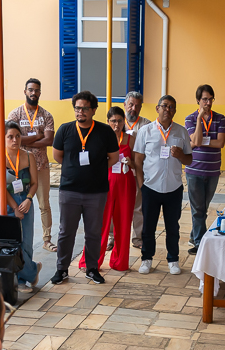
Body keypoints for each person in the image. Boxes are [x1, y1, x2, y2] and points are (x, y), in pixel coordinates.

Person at [50, 91, 120, 286]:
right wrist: (74, 169)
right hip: (69, 190)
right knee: (66, 232)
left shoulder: (105, 131)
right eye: (77, 108)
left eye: (84, 108)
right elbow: (57, 156)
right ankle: (62, 269)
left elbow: (114, 158)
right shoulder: (65, 130)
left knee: (94, 233)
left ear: (94, 110)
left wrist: (96, 169)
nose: (80, 112)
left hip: (96, 192)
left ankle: (92, 268)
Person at [133, 95, 193, 276]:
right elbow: (138, 160)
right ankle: (146, 259)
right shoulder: (145, 131)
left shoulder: (181, 132)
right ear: (157, 108)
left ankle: (173, 259)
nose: (168, 109)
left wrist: (181, 155)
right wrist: (142, 185)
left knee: (172, 227)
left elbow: (189, 160)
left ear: (175, 111)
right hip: (150, 187)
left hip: (173, 188)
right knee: (148, 226)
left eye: (172, 107)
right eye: (165, 106)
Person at [0, 121, 42, 291]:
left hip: (24, 200)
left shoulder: (28, 156)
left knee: (25, 242)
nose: (14, 140)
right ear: (3, 138)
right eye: (10, 137)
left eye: (18, 136)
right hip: (4, 201)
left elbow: (34, 183)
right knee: (7, 244)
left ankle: (22, 280)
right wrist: (14, 207)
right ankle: (31, 271)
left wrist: (28, 199)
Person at [80, 107, 135, 271]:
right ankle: (91, 261)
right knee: (100, 223)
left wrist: (130, 162)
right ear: (108, 122)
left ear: (124, 121)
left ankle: (120, 261)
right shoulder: (101, 138)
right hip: (105, 184)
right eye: (113, 121)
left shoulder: (131, 139)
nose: (116, 125)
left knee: (123, 224)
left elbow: (137, 163)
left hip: (125, 185)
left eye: (119, 121)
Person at [8, 79, 57, 252]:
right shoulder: (15, 115)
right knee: (19, 202)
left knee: (44, 204)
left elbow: (49, 140)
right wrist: (38, 136)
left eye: (36, 90)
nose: (33, 93)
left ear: (40, 92)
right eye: (30, 90)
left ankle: (47, 240)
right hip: (20, 167)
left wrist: (25, 140)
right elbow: (13, 139)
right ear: (25, 91)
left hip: (41, 165)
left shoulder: (46, 115)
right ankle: (17, 238)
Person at [183, 84, 225, 255]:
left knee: (203, 206)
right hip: (194, 170)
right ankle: (199, 242)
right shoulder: (190, 118)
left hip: (213, 170)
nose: (208, 103)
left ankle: (194, 234)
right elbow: (194, 141)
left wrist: (201, 141)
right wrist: (200, 119)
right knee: (197, 209)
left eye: (210, 99)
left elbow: (220, 143)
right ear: (198, 100)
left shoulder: (220, 118)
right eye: (204, 99)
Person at [123, 91, 151, 250]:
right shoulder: (117, 121)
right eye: (131, 105)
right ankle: (112, 237)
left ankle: (137, 237)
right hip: (118, 171)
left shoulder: (147, 125)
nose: (133, 108)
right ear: (125, 105)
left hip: (138, 170)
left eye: (137, 106)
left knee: (138, 206)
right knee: (114, 204)